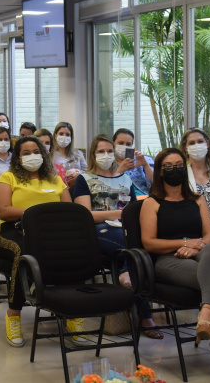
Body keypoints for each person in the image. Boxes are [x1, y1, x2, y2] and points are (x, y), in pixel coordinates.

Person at [139, 148, 210, 379]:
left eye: (179, 165)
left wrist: (194, 246)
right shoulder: (152, 203)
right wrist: (183, 242)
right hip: (167, 262)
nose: (175, 170)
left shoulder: (197, 199)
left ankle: (206, 312)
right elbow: (149, 243)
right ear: (160, 172)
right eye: (168, 167)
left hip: (200, 254)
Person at [71, 135, 162, 339]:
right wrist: (118, 214)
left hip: (125, 229)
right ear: (93, 155)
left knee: (139, 247)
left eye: (109, 151)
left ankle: (125, 275)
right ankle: (146, 315)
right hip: (98, 230)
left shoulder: (125, 178)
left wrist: (126, 216)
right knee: (135, 249)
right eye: (101, 151)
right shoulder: (84, 180)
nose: (106, 155)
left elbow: (133, 209)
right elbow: (85, 215)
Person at [0, 136, 72, 348]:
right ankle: (13, 314)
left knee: (73, 249)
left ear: (44, 155)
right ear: (17, 159)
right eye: (26, 153)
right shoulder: (7, 178)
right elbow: (3, 211)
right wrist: (37, 213)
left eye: (36, 152)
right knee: (25, 252)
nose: (32, 156)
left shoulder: (55, 180)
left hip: (50, 231)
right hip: (13, 230)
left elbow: (70, 211)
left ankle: (71, 312)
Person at [180, 128, 210, 217]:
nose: (196, 146)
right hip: (192, 223)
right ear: (185, 148)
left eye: (200, 141)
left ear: (207, 144)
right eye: (191, 143)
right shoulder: (181, 173)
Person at [109, 128, 154, 195]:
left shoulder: (143, 159)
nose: (124, 146)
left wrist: (145, 165)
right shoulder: (107, 163)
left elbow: (156, 185)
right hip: (123, 202)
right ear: (113, 144)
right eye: (121, 143)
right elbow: (107, 189)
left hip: (145, 199)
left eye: (128, 144)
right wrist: (120, 170)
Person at [52, 122, 87, 186]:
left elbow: (87, 172)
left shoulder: (78, 154)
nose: (64, 137)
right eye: (61, 134)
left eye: (67, 134)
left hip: (76, 187)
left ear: (71, 137)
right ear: (55, 136)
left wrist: (78, 173)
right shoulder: (51, 155)